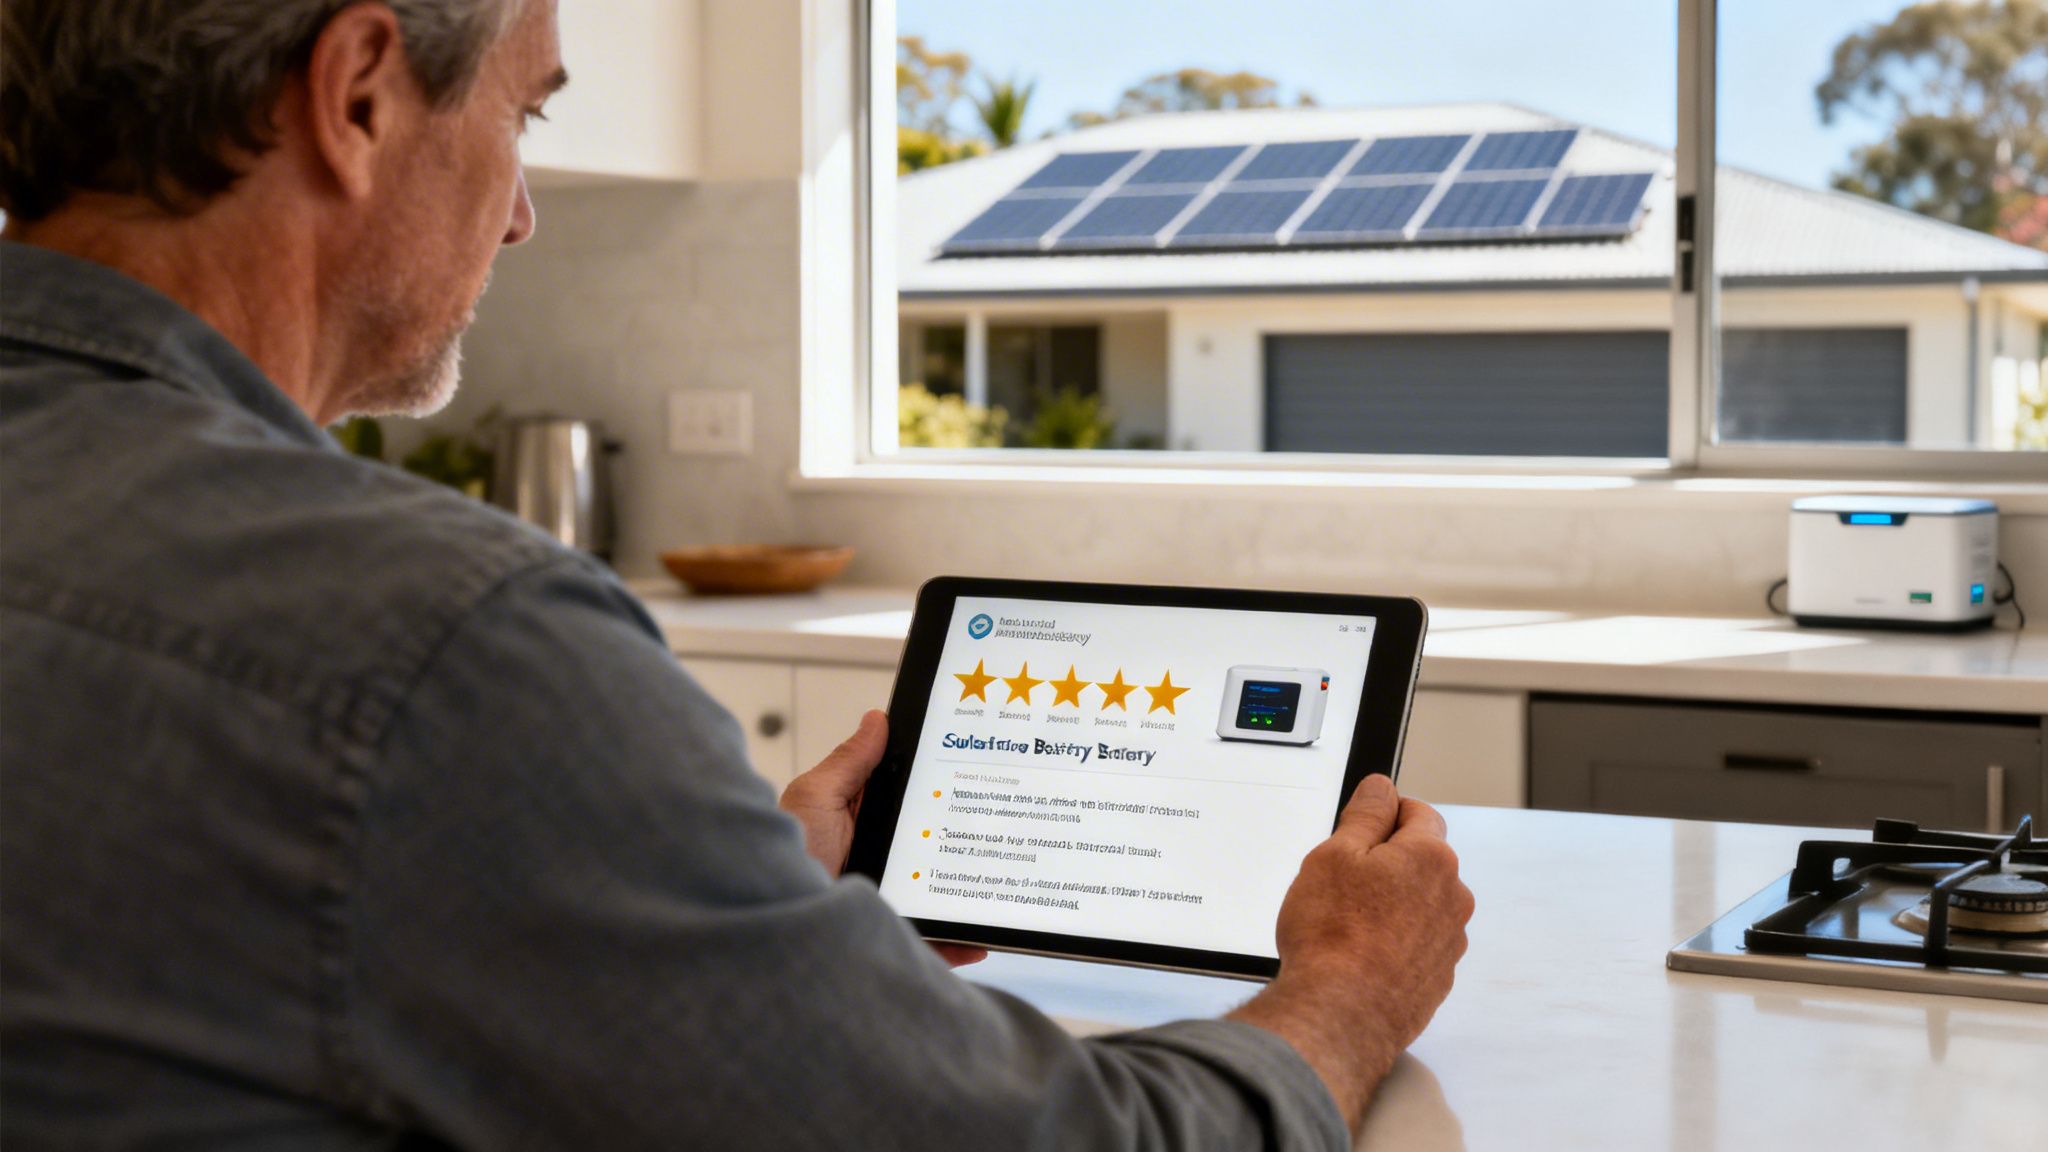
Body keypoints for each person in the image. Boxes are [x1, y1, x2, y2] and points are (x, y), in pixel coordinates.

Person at [0, 1, 1473, 1147]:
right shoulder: (442, 648)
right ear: (360, 92)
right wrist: (1345, 994)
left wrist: (677, 892)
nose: (520, 210)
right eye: (522, 114)